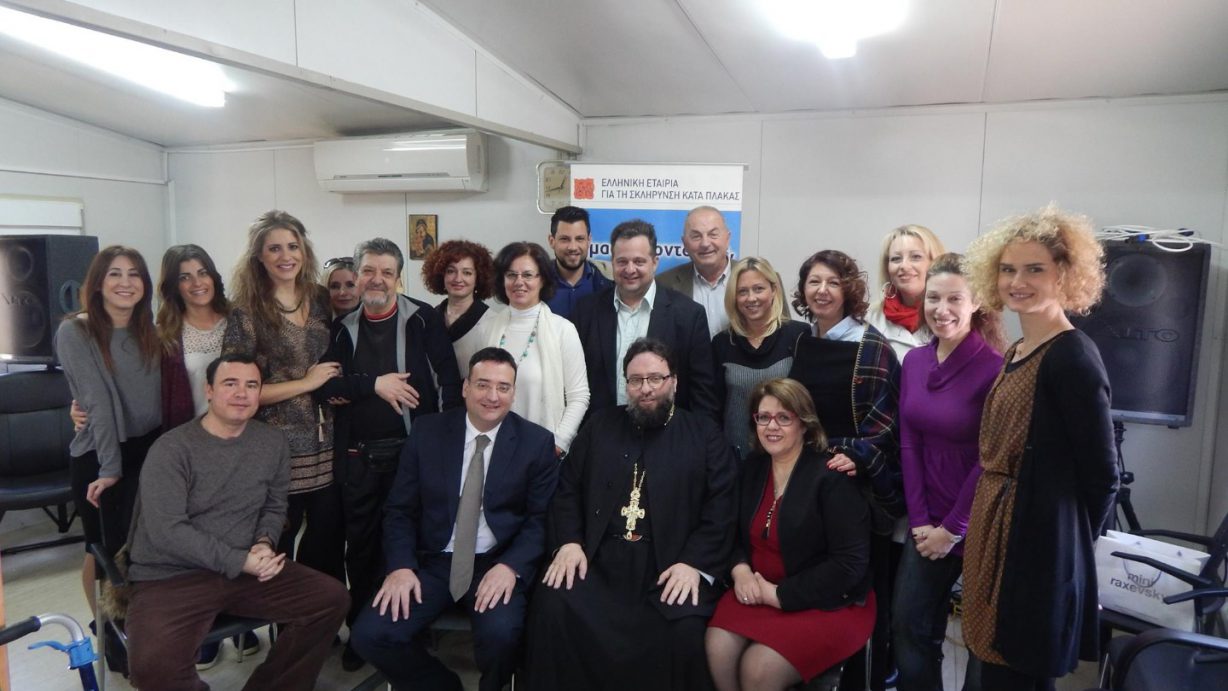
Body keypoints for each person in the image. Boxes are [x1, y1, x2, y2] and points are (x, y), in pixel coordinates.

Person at [960, 205, 1118, 690]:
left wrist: (1063, 546)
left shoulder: (1072, 357)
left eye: (1034, 269)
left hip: (1036, 543)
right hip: (997, 524)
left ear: (1064, 275)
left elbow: (1102, 476)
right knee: (990, 667)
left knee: (1018, 672)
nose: (1017, 282)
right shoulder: (1017, 348)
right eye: (1008, 269)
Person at [124, 353, 350, 691]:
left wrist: (263, 543)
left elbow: (274, 506)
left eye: (251, 385)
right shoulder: (172, 449)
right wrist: (241, 560)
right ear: (209, 390)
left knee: (331, 600)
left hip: (245, 570)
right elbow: (167, 532)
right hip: (173, 576)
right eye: (230, 384)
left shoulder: (271, 442)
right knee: (152, 669)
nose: (241, 394)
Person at [526, 337, 738, 690]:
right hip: (599, 561)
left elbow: (722, 507)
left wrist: (694, 564)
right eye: (636, 380)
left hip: (669, 565)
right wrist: (569, 542)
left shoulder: (704, 434)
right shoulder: (600, 426)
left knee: (685, 628)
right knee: (553, 604)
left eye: (655, 378)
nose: (646, 389)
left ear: (674, 382)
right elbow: (567, 490)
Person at [349, 347, 559, 691]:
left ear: (513, 392)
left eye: (503, 387)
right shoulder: (427, 432)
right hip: (432, 562)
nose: (492, 396)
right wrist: (400, 566)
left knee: (503, 635)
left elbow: (541, 519)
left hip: (495, 563)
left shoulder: (536, 443)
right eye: (483, 384)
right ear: (465, 387)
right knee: (370, 635)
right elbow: (399, 510)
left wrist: (511, 567)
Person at [317, 237, 463, 671]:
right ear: (357, 275)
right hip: (358, 457)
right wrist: (375, 385)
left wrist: (445, 452)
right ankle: (363, 632)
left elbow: (449, 386)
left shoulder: (422, 319)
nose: (376, 279)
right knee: (362, 550)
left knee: (413, 546)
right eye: (368, 271)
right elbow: (326, 387)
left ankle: (410, 627)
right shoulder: (341, 328)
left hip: (413, 457)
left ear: (398, 278)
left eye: (386, 272)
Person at [706, 378, 875, 690]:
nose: (772, 426)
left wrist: (780, 595)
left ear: (805, 424)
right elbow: (730, 532)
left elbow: (849, 565)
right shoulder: (752, 467)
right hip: (757, 589)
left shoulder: (832, 477)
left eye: (784, 418)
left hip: (825, 602)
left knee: (758, 669)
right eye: (763, 417)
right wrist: (740, 569)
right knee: (718, 646)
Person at [786, 249, 901, 691]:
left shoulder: (872, 347)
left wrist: (855, 454)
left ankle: (862, 679)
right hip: (805, 479)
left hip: (851, 484)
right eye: (814, 282)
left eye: (833, 282)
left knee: (857, 592)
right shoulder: (802, 340)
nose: (822, 291)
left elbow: (888, 426)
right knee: (812, 582)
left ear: (849, 290)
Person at [893, 253, 1004, 691]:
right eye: (933, 298)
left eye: (954, 298)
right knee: (909, 627)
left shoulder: (996, 368)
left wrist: (952, 529)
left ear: (976, 302)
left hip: (977, 522)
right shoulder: (915, 362)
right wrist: (921, 521)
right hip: (926, 522)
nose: (942, 310)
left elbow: (989, 458)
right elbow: (909, 443)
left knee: (980, 642)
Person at [222, 210, 344, 583]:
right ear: (259, 257)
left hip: (326, 443)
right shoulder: (246, 312)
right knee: (278, 547)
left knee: (325, 545)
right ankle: (280, 617)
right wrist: (306, 383)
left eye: (292, 246)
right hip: (275, 448)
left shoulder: (320, 299)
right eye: (274, 249)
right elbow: (238, 392)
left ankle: (321, 614)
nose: (285, 256)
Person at [54, 246, 161, 617]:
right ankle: (104, 632)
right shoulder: (75, 330)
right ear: (98, 283)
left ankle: (140, 629)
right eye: (115, 273)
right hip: (100, 455)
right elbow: (97, 402)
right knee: (101, 551)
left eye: (134, 274)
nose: (125, 282)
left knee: (142, 549)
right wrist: (110, 469)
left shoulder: (150, 331)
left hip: (147, 452)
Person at [571, 219, 718, 420]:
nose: (630, 269)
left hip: (667, 433)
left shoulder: (689, 315)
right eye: (622, 261)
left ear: (655, 262)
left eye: (639, 261)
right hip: (601, 432)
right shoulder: (586, 311)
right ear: (612, 261)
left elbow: (703, 396)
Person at [486, 241, 590, 455]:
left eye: (528, 275)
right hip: (493, 448)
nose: (519, 282)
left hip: (544, 451)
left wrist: (558, 443)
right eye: (511, 275)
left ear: (542, 279)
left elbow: (579, 396)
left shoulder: (563, 330)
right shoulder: (489, 328)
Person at [711, 256, 809, 460]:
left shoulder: (798, 335)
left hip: (787, 457)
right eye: (742, 291)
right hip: (735, 458)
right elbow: (715, 407)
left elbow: (807, 404)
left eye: (758, 289)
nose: (751, 298)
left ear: (773, 290)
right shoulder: (722, 343)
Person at [865, 225, 947, 362]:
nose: (904, 266)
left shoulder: (952, 317)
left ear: (936, 263)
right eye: (896, 259)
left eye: (916, 257)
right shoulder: (870, 318)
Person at [421, 239, 498, 379]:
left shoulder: (492, 322)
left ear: (478, 278)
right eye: (451, 271)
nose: (458, 279)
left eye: (467, 273)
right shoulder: (429, 318)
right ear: (441, 275)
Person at [657, 205, 734, 337]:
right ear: (685, 243)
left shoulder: (754, 279)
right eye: (696, 236)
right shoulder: (663, 284)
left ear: (727, 238)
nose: (705, 243)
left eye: (713, 235)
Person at [544, 205, 613, 318]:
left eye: (579, 239)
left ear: (589, 240)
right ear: (552, 241)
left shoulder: (609, 281)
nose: (573, 247)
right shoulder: (538, 283)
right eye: (565, 239)